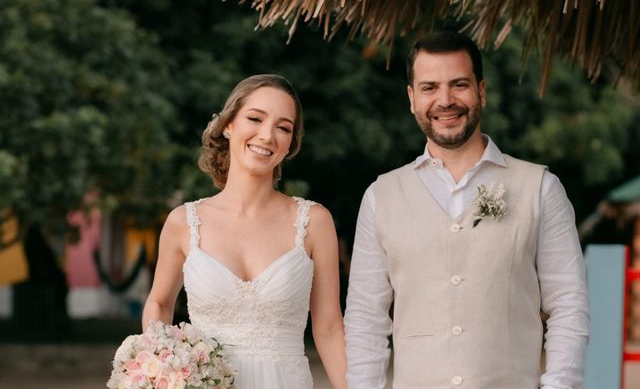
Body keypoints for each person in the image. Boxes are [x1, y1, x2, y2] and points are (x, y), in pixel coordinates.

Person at [344, 32, 589, 389]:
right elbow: (367, 319)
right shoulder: (380, 197)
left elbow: (568, 305)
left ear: (482, 92)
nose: (445, 100)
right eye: (429, 88)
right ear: (412, 99)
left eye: (459, 84)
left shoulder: (541, 188)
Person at [142, 74, 347, 389]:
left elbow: (330, 328)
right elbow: (159, 302)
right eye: (255, 118)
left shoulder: (313, 222)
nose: (267, 135)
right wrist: (160, 369)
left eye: (283, 127)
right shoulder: (184, 222)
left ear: (291, 142)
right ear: (228, 125)